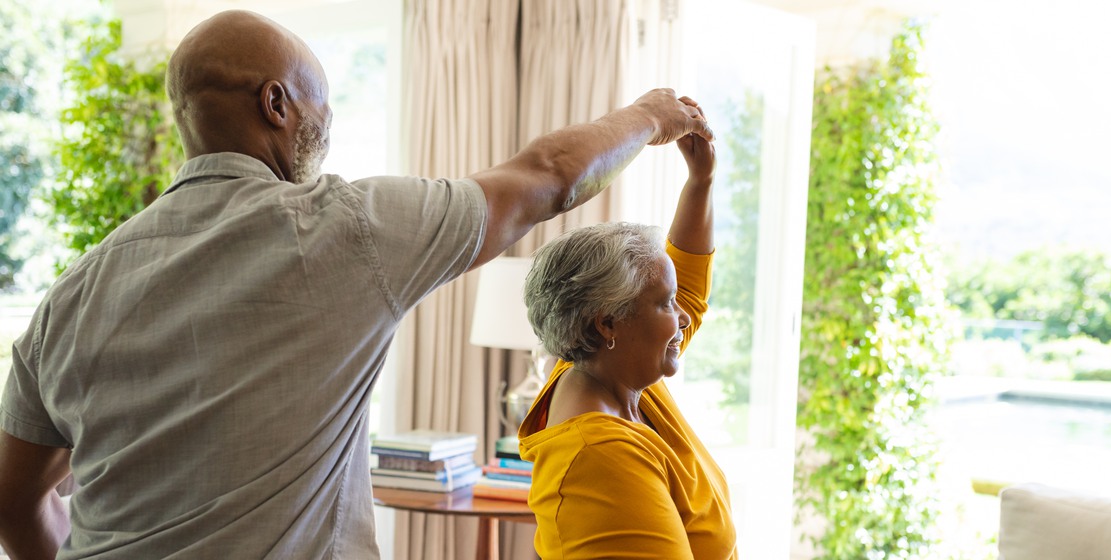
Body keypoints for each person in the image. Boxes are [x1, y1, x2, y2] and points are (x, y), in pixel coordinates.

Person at [0, 9, 714, 560]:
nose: (330, 123)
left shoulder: (72, 296)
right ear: (276, 104)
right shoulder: (348, 229)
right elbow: (549, 177)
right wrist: (653, 115)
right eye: (323, 102)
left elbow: (15, 504)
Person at [518, 129, 736, 559]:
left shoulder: (613, 371)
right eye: (666, 303)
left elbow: (688, 285)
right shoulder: (601, 456)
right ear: (609, 325)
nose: (683, 316)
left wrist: (701, 180)